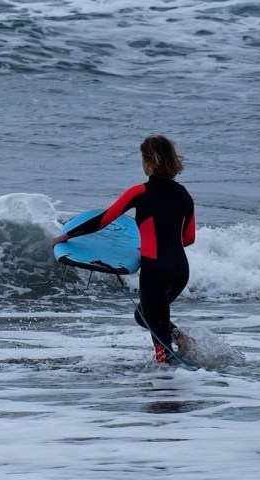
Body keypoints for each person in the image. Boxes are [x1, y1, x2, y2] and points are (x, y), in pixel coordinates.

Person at [52, 135, 196, 363]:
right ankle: (182, 340)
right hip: (180, 271)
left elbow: (103, 220)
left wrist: (68, 235)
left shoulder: (139, 192)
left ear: (149, 162)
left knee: (160, 343)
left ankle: (167, 388)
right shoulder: (184, 194)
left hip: (156, 272)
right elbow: (188, 237)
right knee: (145, 316)